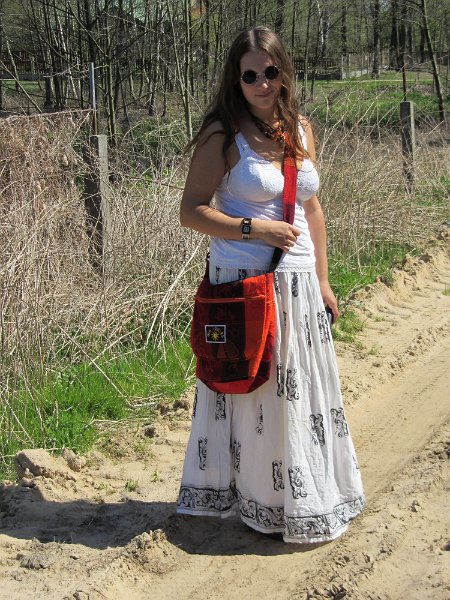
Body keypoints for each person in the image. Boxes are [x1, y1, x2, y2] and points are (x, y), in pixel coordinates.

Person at [176, 26, 364, 544]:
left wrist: (323, 280)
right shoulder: (222, 134)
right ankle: (261, 502)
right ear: (235, 80)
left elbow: (312, 209)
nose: (262, 83)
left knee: (297, 390)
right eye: (250, 75)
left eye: (270, 72)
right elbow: (190, 211)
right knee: (256, 393)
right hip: (246, 282)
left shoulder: (299, 129)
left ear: (284, 72)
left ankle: (303, 498)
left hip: (299, 281)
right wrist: (253, 229)